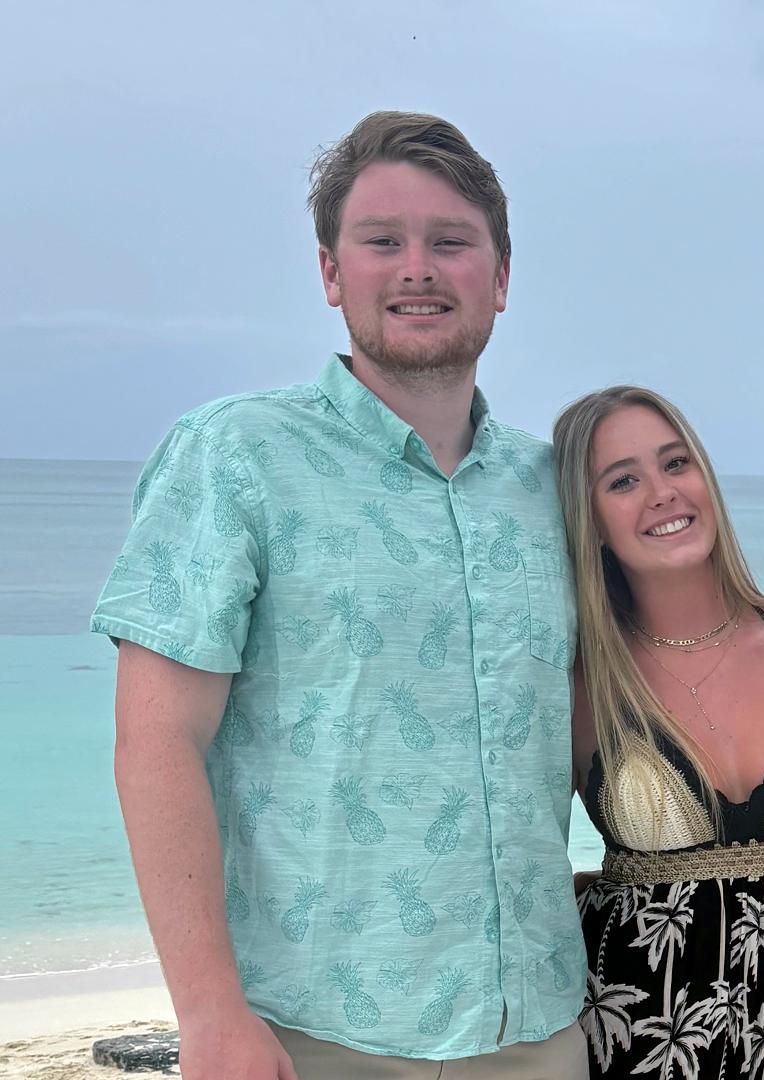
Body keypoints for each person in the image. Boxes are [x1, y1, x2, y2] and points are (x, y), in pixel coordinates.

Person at [91, 112, 589, 1078]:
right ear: (330, 272)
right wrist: (209, 1013)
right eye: (382, 241)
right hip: (311, 1032)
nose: (418, 269)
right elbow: (155, 743)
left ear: (501, 277)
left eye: (451, 242)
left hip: (536, 1028)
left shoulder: (550, 487)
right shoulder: (236, 456)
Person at [554, 386, 764, 1078]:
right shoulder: (579, 686)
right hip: (630, 1044)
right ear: (589, 519)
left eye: (676, 463)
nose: (662, 492)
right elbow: (517, 861)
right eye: (623, 481)